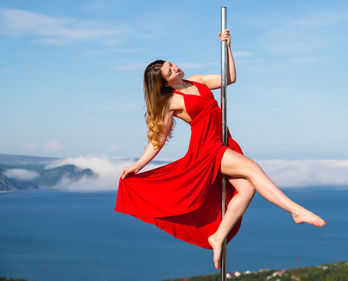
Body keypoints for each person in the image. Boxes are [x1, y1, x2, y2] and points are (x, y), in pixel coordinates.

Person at [115, 29, 326, 270]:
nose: (176, 68)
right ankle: (296, 211)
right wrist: (137, 166)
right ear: (164, 82)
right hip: (207, 149)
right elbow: (157, 141)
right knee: (254, 169)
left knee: (246, 189)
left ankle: (218, 236)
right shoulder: (171, 102)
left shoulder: (197, 81)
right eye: (170, 71)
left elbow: (230, 78)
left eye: (172, 64)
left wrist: (227, 46)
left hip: (224, 141)